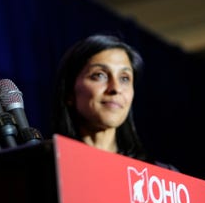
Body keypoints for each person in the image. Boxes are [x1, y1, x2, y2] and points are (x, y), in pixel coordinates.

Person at [50, 33, 174, 167]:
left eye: (124, 78)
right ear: (69, 92)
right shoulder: (45, 168)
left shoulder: (158, 180)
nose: (115, 88)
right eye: (99, 75)